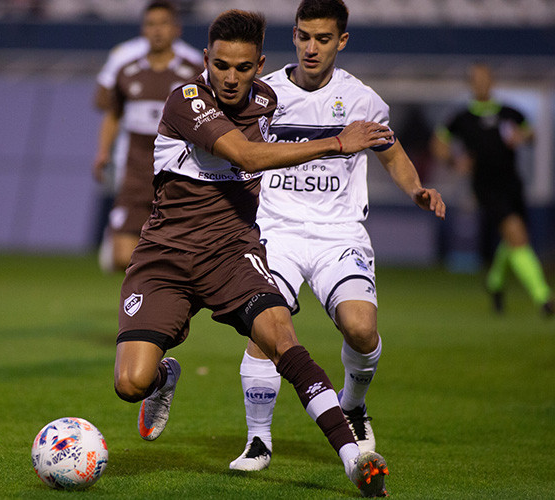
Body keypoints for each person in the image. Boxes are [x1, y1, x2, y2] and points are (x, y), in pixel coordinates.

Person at [113, 9, 392, 497]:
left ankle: (354, 458)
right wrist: (336, 143)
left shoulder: (267, 100)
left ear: (259, 64)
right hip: (166, 257)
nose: (230, 77)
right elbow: (245, 156)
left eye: (243, 68)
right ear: (206, 59)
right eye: (221, 65)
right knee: (129, 383)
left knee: (283, 338)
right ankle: (162, 376)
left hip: (231, 254)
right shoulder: (187, 100)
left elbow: (327, 117)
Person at [226, 0, 447, 473]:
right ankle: (258, 440)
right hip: (274, 230)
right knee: (266, 330)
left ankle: (352, 404)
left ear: (341, 41)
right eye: (304, 36)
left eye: (322, 38)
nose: (311, 47)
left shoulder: (361, 99)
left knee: (362, 329)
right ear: (294, 35)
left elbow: (389, 149)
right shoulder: (263, 94)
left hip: (337, 233)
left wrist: (415, 189)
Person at [431, 63, 553, 317]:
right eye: (476, 79)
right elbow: (439, 145)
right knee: (517, 235)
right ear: (471, 84)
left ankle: (494, 282)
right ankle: (544, 298)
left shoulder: (510, 112)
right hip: (485, 187)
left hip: (512, 184)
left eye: (485, 78)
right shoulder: (462, 118)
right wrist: (454, 161)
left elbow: (531, 134)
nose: (482, 83)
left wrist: (523, 137)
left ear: (492, 81)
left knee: (512, 239)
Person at [93, 1, 203, 272]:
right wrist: (103, 152)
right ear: (143, 29)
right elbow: (112, 114)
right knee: (121, 257)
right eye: (151, 24)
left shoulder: (193, 71)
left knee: (180, 255)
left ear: (176, 29)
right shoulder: (127, 71)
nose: (157, 31)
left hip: (177, 173)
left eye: (163, 24)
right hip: (134, 173)